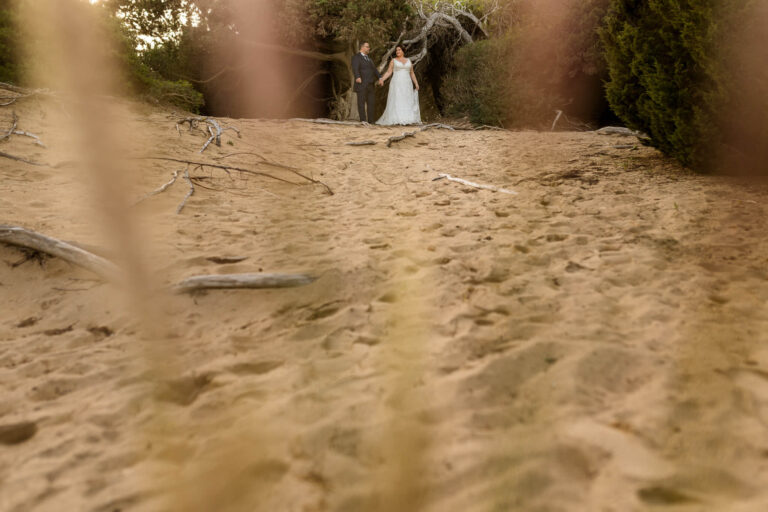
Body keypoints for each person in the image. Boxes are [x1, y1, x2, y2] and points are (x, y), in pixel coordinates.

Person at [375, 46, 421, 126]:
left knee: (407, 99)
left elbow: (412, 73)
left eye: (399, 50)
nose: (397, 51)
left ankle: (407, 118)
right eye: (396, 50)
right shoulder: (393, 61)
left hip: (407, 83)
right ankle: (397, 118)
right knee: (397, 99)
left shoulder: (409, 61)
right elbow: (389, 72)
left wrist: (416, 83)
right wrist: (382, 79)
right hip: (397, 83)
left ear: (403, 51)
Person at [351, 42, 382, 123]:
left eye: (369, 47)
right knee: (361, 103)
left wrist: (380, 77)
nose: (369, 48)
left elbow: (374, 70)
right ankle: (363, 120)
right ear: (362, 47)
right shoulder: (356, 57)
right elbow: (355, 68)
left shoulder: (369, 59)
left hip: (370, 84)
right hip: (361, 83)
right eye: (367, 47)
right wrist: (357, 76)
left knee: (371, 103)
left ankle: (371, 121)